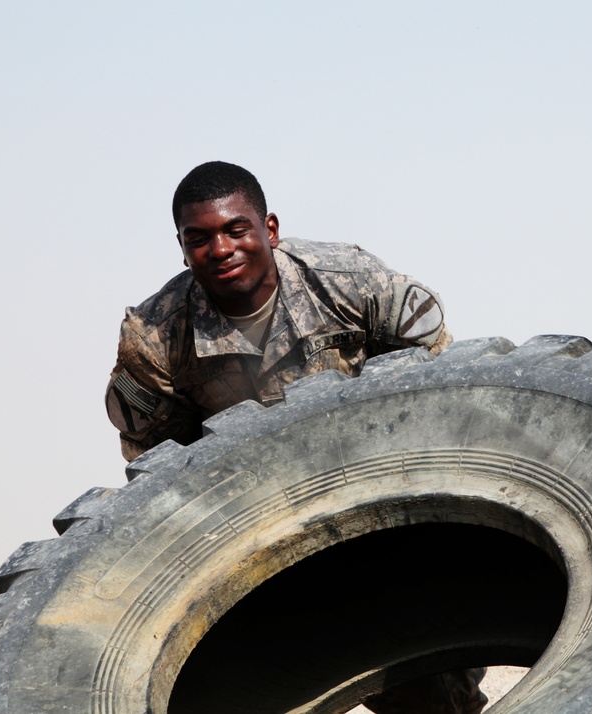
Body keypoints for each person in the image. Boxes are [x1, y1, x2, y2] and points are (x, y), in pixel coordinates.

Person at [105, 161, 485, 714]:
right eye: (200, 238)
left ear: (270, 229)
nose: (221, 249)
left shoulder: (347, 284)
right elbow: (158, 476)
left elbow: (439, 392)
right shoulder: (159, 336)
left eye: (237, 229)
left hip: (377, 495)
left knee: (426, 686)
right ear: (183, 248)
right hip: (250, 523)